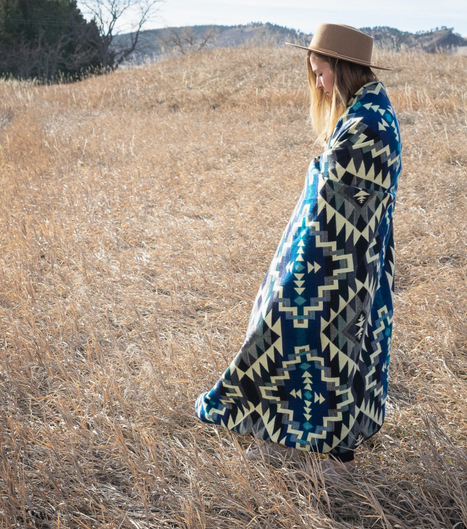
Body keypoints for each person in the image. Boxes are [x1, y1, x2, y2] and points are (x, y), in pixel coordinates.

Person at [194, 23, 402, 476]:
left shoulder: (366, 124)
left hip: (341, 264)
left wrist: (298, 269)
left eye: (322, 73)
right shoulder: (369, 111)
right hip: (341, 259)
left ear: (345, 69)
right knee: (308, 346)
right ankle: (286, 435)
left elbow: (338, 206)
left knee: (322, 349)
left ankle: (335, 458)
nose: (319, 84)